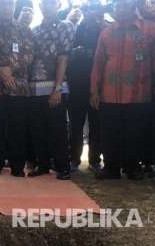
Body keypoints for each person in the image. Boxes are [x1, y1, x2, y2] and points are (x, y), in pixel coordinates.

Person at [90, 0, 155, 180]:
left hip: (139, 93)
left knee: (136, 133)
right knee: (110, 133)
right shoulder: (106, 33)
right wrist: (94, 91)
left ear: (133, 9)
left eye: (123, 6)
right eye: (116, 7)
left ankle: (132, 167)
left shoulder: (149, 29)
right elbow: (98, 64)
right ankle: (111, 168)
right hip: (109, 94)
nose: (119, 10)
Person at [29, 0, 74, 180]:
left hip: (55, 88)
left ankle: (63, 166)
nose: (48, 6)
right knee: (38, 129)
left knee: (57, 129)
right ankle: (43, 164)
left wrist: (57, 88)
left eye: (52, 3)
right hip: (34, 89)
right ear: (40, 6)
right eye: (45, 3)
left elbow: (63, 58)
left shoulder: (65, 27)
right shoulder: (35, 30)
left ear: (58, 5)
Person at [0, 0, 34, 177]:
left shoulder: (24, 29)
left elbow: (29, 55)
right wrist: (1, 72)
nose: (6, 8)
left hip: (19, 86)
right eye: (3, 5)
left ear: (14, 7)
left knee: (18, 127)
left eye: (9, 5)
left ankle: (17, 165)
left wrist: (10, 70)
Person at [68, 1, 106, 173]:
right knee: (76, 124)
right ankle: (74, 159)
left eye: (95, 9)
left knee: (97, 124)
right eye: (88, 9)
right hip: (77, 85)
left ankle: (95, 160)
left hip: (99, 86)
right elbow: (67, 53)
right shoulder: (76, 28)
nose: (91, 13)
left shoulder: (105, 29)